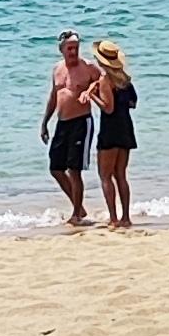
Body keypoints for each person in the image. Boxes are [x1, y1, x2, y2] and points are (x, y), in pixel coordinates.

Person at [40, 31, 99, 226]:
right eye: (70, 48)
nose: (73, 52)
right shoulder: (57, 69)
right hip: (62, 123)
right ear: (62, 50)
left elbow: (104, 83)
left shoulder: (88, 67)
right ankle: (78, 205)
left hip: (82, 122)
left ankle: (76, 214)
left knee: (74, 170)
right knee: (56, 168)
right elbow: (53, 96)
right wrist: (45, 122)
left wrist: (91, 92)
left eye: (76, 48)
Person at [91, 39, 137, 228]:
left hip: (110, 129)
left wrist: (92, 95)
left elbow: (107, 109)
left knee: (105, 175)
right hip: (126, 127)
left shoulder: (105, 80)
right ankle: (126, 217)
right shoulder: (125, 80)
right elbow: (133, 103)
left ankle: (113, 218)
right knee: (121, 175)